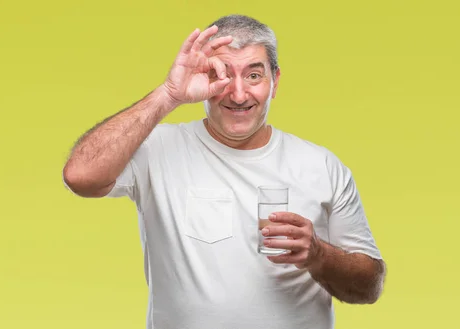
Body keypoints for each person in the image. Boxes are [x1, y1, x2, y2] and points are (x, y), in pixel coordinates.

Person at [63, 14, 386, 329]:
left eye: (253, 75)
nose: (239, 93)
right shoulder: (158, 150)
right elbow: (80, 176)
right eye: (223, 75)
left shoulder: (322, 166)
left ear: (274, 83)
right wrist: (169, 94)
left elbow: (369, 287)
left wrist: (318, 255)